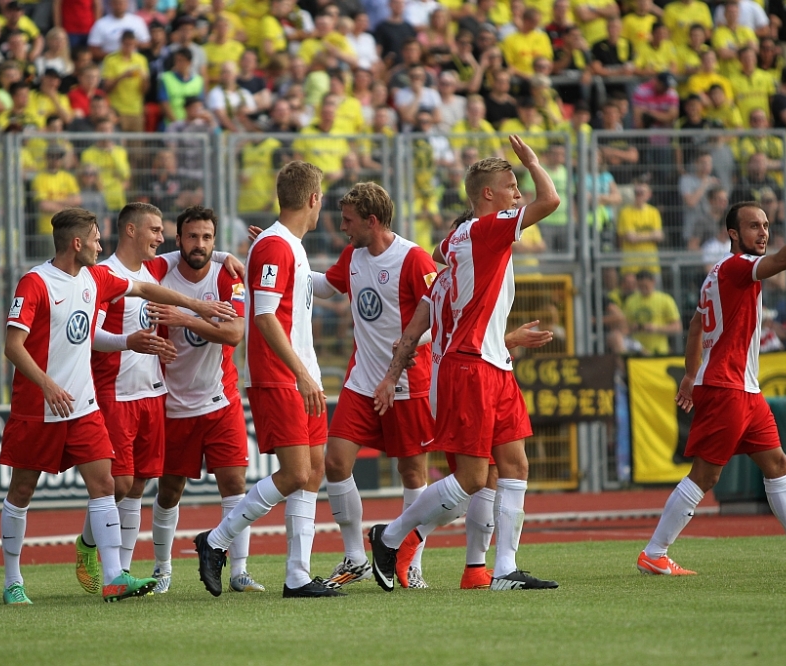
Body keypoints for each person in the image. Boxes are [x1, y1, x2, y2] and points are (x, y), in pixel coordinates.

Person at [0, 206, 234, 605]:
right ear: (78, 243)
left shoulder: (95, 278)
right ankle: (12, 580)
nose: (100, 244)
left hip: (84, 405)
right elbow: (12, 346)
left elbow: (143, 288)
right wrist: (47, 384)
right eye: (94, 238)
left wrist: (199, 306)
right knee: (22, 489)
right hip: (39, 405)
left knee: (108, 485)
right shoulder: (35, 283)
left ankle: (113, 576)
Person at [367, 136, 561, 592]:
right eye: (511, 186)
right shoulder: (484, 230)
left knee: (514, 464)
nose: (519, 194)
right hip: (469, 364)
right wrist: (532, 160)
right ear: (488, 196)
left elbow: (438, 263)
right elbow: (550, 199)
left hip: (491, 361)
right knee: (473, 477)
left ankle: (502, 569)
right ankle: (391, 536)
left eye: (519, 184)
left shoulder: (457, 238)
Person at [194, 161, 344, 599]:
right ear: (313, 199)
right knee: (296, 473)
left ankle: (297, 575)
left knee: (313, 473)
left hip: (302, 375)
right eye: (321, 202)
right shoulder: (279, 246)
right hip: (282, 378)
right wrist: (299, 372)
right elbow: (262, 316)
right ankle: (215, 540)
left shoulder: (284, 246)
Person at [637, 202, 786, 576]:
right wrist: (694, 375)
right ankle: (654, 552)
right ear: (733, 234)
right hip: (727, 388)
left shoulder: (717, 273)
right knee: (705, 475)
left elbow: (697, 325)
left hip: (742, 389)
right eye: (753, 226)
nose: (763, 232)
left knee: (777, 463)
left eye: (765, 225)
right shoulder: (738, 267)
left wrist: (689, 374)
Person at [77, 203, 241, 591]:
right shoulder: (103, 275)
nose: (160, 237)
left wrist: (225, 256)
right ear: (131, 231)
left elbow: (194, 251)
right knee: (117, 485)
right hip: (116, 390)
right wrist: (128, 342)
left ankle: (125, 573)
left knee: (137, 486)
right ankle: (87, 545)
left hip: (154, 394)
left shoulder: (153, 269)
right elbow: (92, 335)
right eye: (154, 230)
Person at [287, 182, 436, 590]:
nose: (342, 227)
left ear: (372, 221)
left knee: (412, 473)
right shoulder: (353, 255)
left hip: (409, 382)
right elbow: (323, 285)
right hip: (362, 379)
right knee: (335, 462)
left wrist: (410, 343)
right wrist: (287, 263)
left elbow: (443, 314)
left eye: (349, 220)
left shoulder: (412, 257)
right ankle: (355, 556)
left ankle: (410, 559)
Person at [144, 205, 265, 594]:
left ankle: (239, 571)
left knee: (234, 484)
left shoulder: (228, 276)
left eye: (208, 238)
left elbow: (233, 334)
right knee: (169, 491)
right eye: (192, 236)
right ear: (178, 239)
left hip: (220, 399)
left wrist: (185, 319)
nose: (200, 244)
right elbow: (128, 269)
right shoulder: (160, 272)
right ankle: (163, 569)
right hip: (172, 404)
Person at [623, 269, 682, 356]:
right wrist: (633, 327)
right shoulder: (631, 301)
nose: (643, 289)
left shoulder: (665, 300)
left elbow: (677, 327)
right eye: (640, 287)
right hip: (636, 352)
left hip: (659, 352)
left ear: (653, 282)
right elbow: (624, 326)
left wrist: (656, 328)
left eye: (645, 286)